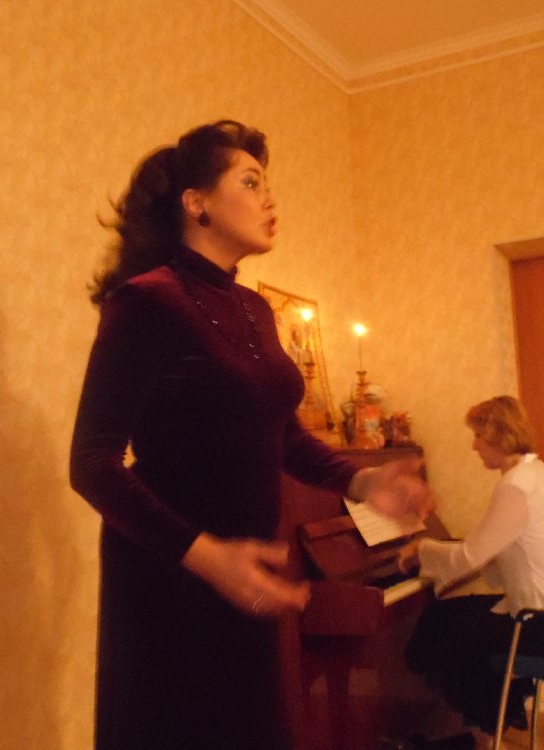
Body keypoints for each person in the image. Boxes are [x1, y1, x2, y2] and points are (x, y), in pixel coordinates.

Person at [69, 120, 434, 750]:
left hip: (246, 574)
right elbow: (92, 464)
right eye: (251, 182)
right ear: (197, 203)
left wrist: (365, 481)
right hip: (170, 574)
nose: (271, 199)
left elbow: (281, 435)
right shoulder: (147, 301)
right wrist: (209, 557)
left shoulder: (254, 309)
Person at [398, 396, 544, 750]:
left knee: (448, 630)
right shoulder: (534, 471)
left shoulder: (516, 486)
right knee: (448, 615)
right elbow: (496, 548)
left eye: (477, 435)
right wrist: (451, 560)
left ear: (496, 435)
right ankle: (484, 728)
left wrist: (420, 549)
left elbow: (471, 555)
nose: (474, 446)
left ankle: (482, 735)